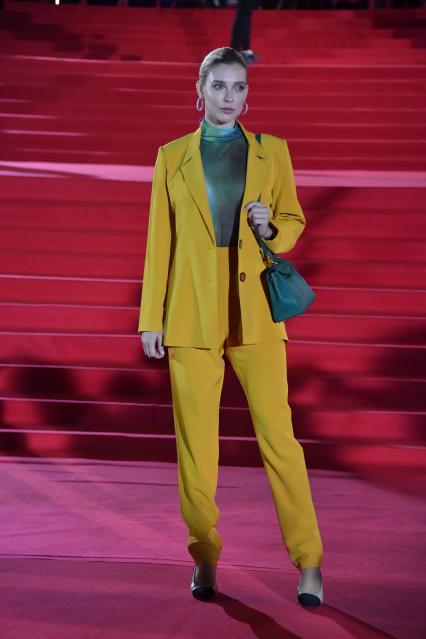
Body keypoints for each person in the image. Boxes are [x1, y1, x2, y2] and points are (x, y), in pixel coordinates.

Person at [138, 46, 324, 607]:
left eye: (238, 87)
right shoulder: (171, 156)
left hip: (255, 312)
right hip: (190, 312)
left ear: (248, 95)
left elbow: (292, 220)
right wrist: (151, 317)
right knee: (196, 448)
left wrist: (271, 229)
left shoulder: (272, 152)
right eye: (218, 86)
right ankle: (204, 554)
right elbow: (159, 241)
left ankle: (309, 561)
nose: (229, 97)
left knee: (280, 438)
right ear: (200, 91)